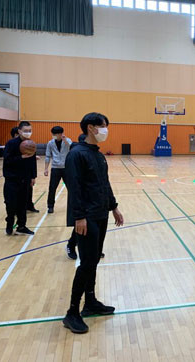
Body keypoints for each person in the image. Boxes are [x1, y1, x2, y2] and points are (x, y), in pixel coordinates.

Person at [63, 113, 124, 334]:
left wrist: (113, 206)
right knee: (87, 262)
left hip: (101, 214)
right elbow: (74, 188)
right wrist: (79, 217)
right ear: (91, 127)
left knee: (94, 260)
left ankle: (90, 302)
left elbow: (104, 183)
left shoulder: (97, 154)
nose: (106, 130)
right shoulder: (76, 155)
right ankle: (72, 313)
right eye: (103, 126)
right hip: (86, 217)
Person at [2, 121, 37, 236]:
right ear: (19, 131)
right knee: (11, 203)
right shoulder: (11, 143)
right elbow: (7, 160)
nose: (28, 133)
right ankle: (9, 223)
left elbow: (32, 162)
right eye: (26, 131)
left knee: (23, 204)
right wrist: (21, 157)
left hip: (25, 178)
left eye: (30, 131)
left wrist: (33, 176)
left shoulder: (31, 144)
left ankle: (21, 226)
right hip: (12, 179)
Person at [45, 126, 72, 213]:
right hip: (55, 168)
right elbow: (48, 155)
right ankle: (50, 206)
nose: (53, 135)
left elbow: (72, 148)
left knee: (71, 188)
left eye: (55, 134)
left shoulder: (68, 141)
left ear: (60, 134)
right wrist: (46, 169)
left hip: (66, 168)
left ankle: (73, 205)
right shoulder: (50, 143)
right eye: (53, 134)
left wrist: (65, 140)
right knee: (52, 188)